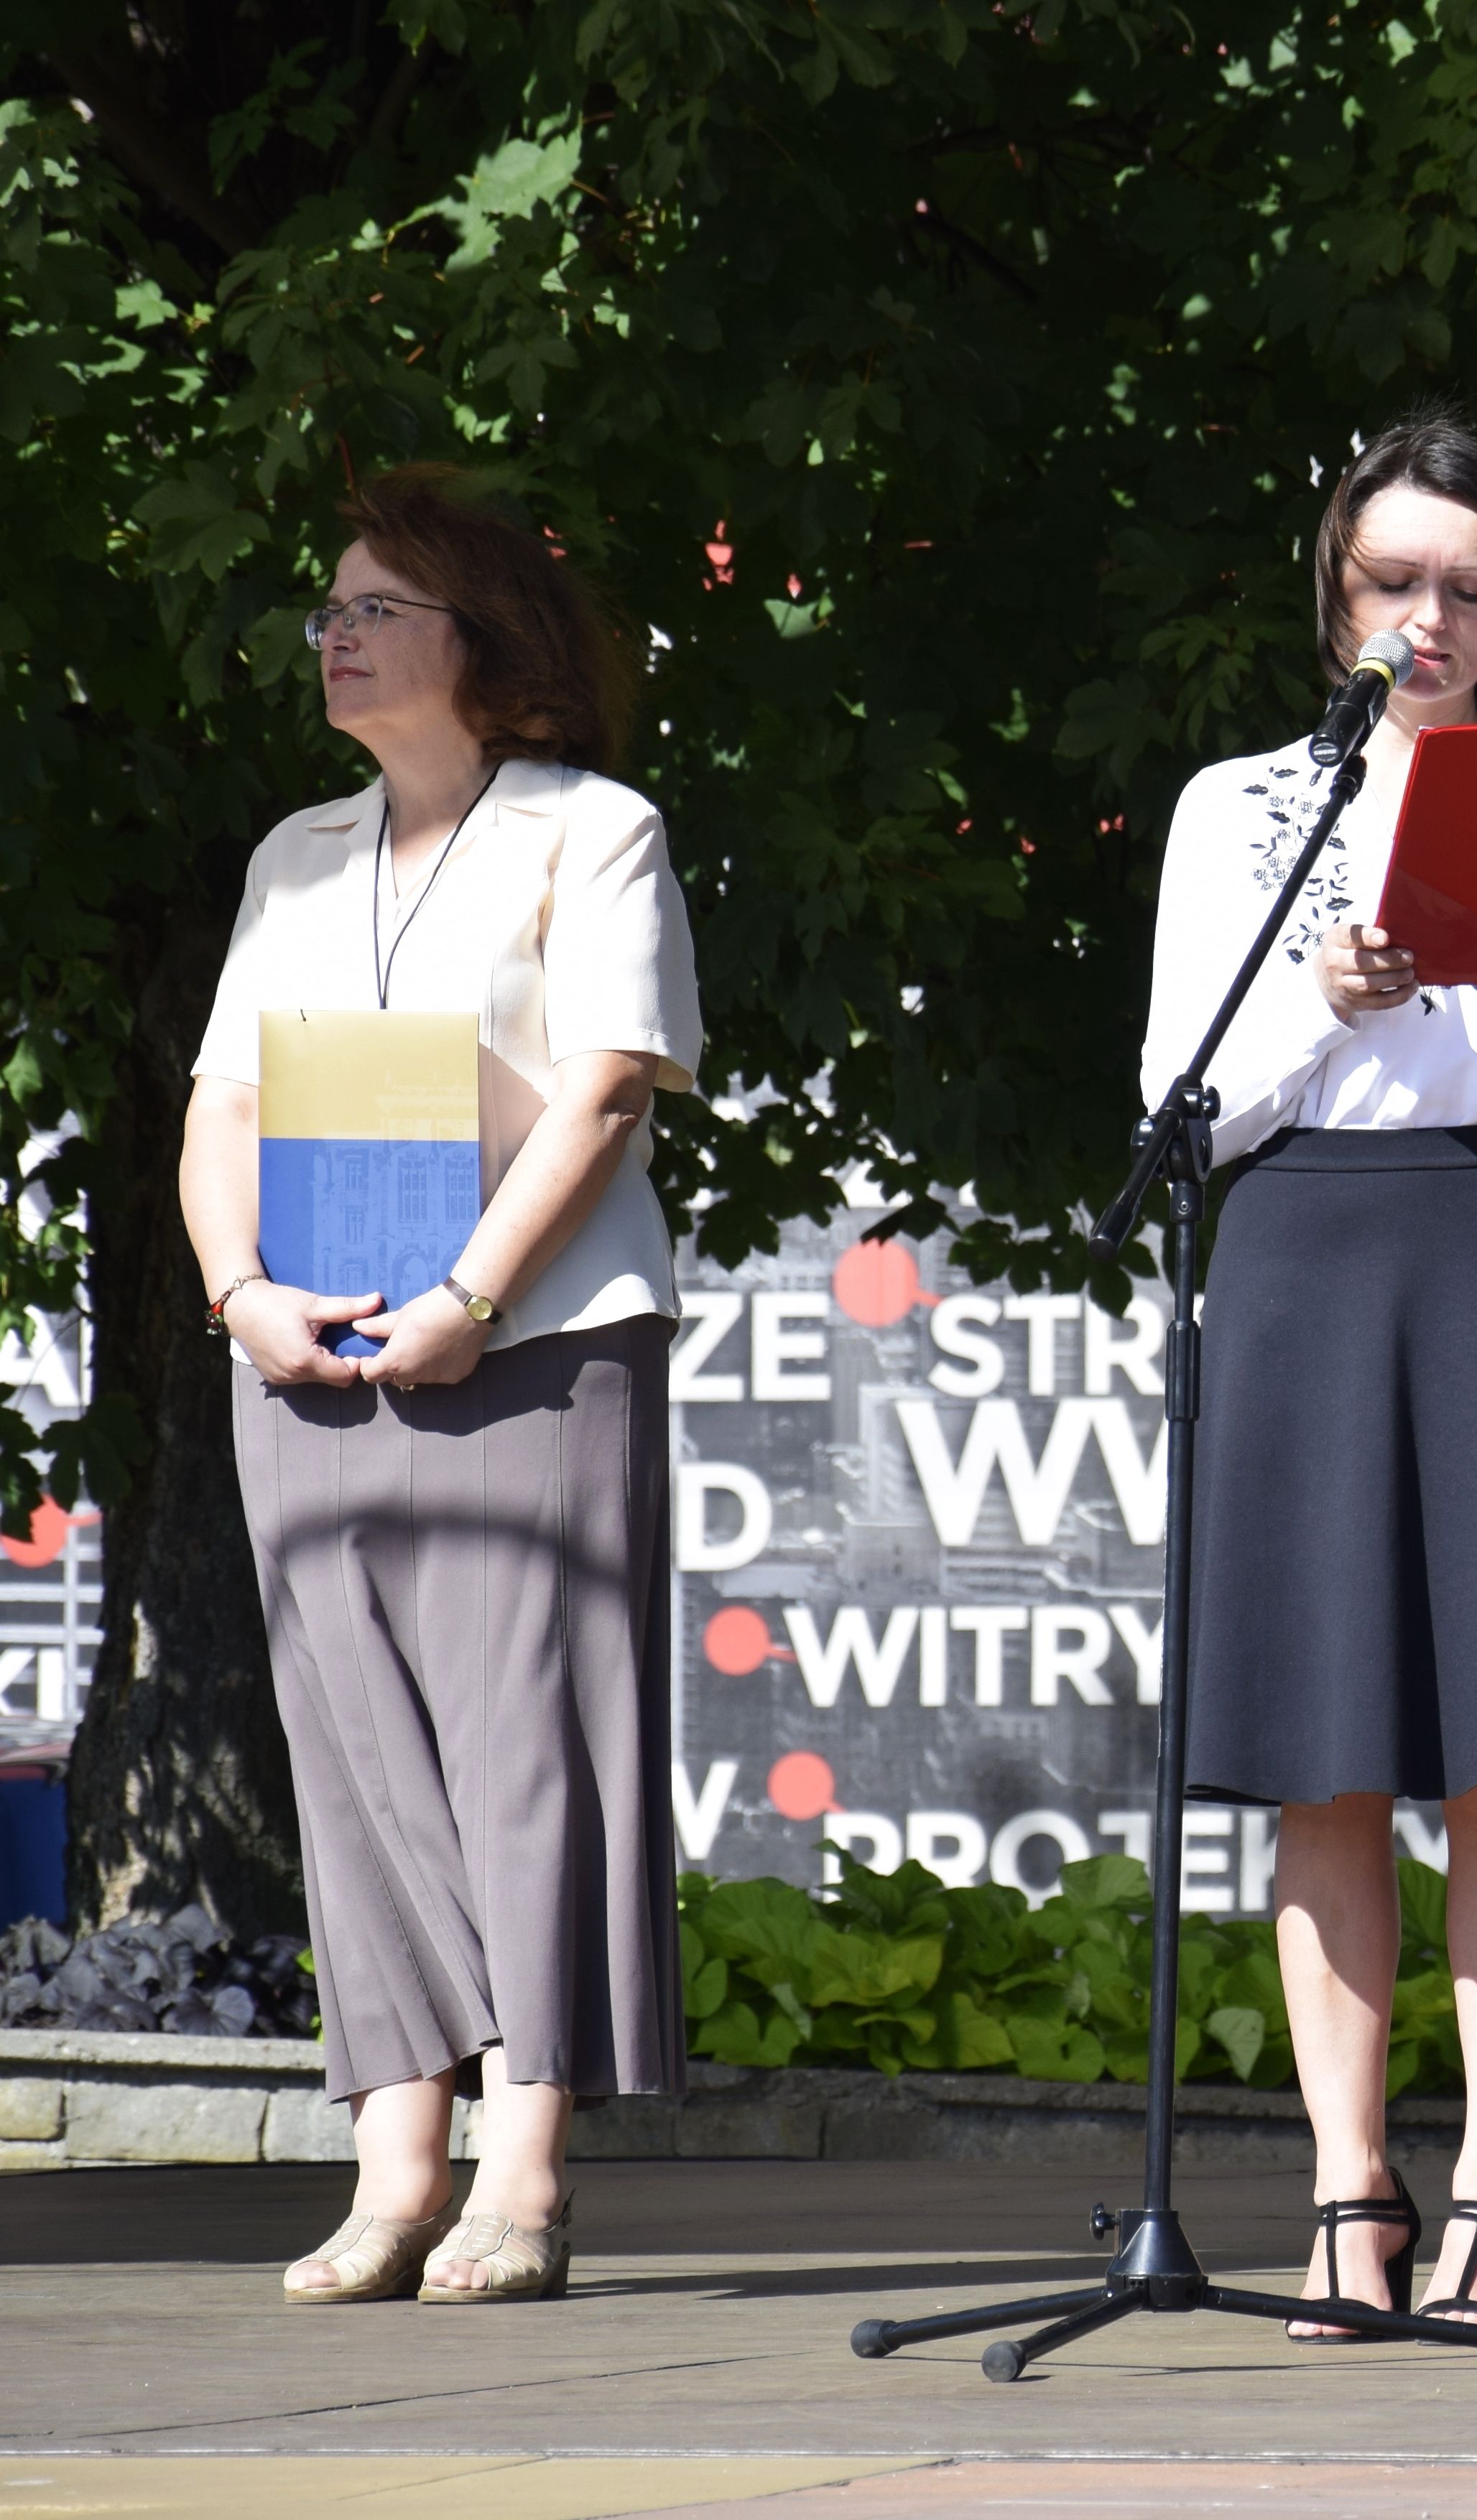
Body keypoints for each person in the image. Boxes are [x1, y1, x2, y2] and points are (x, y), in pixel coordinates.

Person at [1139, 409, 1477, 2339]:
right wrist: (1321, 999)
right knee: (1331, 1759)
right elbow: (1183, 1108)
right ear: (1336, 591)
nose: (1429, 616)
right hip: (1302, 1257)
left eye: (1468, 584)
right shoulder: (1242, 809)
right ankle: (1345, 2193)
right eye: (1395, 579)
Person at [181, 465, 702, 2305]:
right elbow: (223, 1106)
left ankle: (521, 2171)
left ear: (483, 635)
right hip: (309, 1356)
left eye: (372, 607)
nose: (333, 635)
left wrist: (476, 1295)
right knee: (353, 1759)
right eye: (327, 609)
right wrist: (240, 1293)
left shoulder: (593, 829)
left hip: (531, 1351)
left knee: (527, 1753)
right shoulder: (296, 855)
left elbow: (607, 1086)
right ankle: (394, 2167)